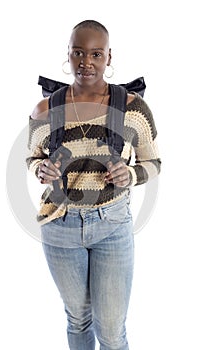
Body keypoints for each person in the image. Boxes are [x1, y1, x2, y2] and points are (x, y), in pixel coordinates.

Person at [27, 19, 161, 350]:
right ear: (69, 56)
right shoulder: (47, 109)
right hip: (59, 225)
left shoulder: (133, 109)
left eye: (96, 54)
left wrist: (129, 175)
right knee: (77, 319)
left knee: (112, 332)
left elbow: (153, 163)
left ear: (109, 58)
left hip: (112, 225)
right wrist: (40, 169)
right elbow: (32, 158)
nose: (86, 62)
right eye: (78, 53)